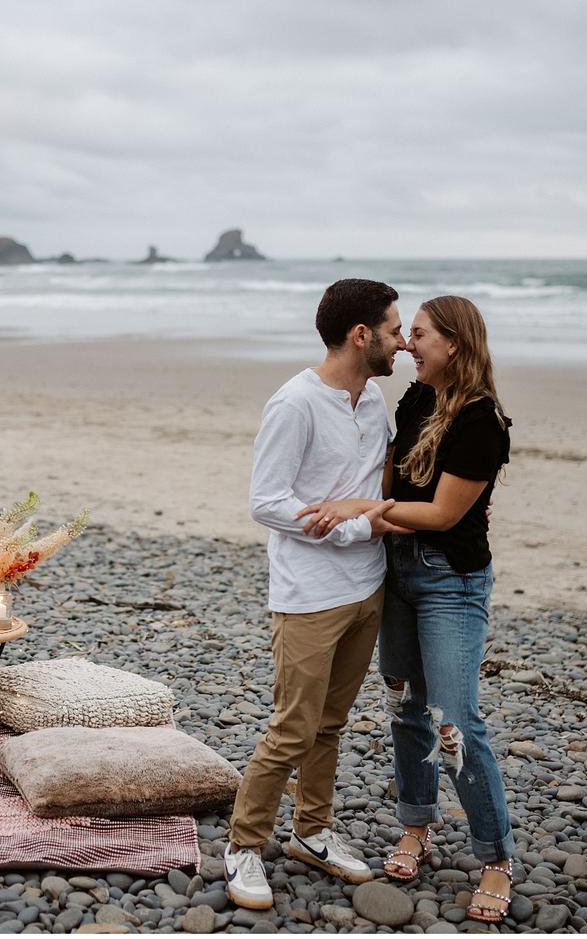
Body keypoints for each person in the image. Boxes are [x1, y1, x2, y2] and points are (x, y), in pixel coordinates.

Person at [297, 294, 516, 924]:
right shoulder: (417, 400)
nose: (407, 345)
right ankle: (416, 827)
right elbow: (391, 485)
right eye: (406, 334)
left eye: (418, 335)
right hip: (398, 574)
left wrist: (359, 511)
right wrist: (357, 508)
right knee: (405, 709)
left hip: (451, 583)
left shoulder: (483, 420)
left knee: (456, 721)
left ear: (454, 344)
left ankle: (496, 857)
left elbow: (444, 514)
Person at [225, 278, 411, 911]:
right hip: (309, 594)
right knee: (292, 728)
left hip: (368, 587)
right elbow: (266, 503)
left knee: (330, 725)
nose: (401, 340)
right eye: (392, 328)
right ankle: (243, 846)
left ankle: (312, 832)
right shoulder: (294, 404)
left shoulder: (376, 400)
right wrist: (359, 525)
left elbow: (377, 485)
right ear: (361, 335)